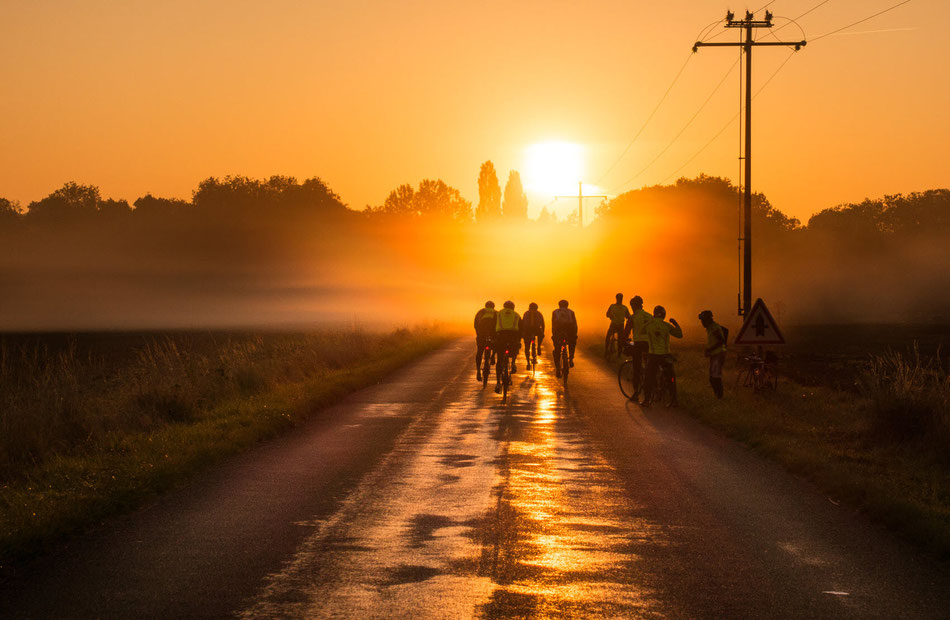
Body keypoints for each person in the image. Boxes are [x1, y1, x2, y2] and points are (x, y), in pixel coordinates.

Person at [642, 305, 683, 406]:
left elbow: (641, 331)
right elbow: (679, 335)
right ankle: (674, 400)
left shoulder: (649, 325)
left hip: (653, 356)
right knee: (671, 378)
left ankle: (647, 400)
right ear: (664, 315)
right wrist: (675, 323)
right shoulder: (666, 326)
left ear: (654, 314)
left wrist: (650, 321)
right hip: (665, 355)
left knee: (649, 378)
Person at [622, 295, 651, 398]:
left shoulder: (632, 317)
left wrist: (624, 342)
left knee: (637, 368)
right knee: (650, 366)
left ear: (633, 306)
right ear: (641, 305)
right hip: (650, 344)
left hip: (639, 344)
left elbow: (626, 333)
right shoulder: (649, 316)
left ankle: (635, 393)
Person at [494, 300, 522, 393]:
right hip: (513, 336)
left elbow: (493, 326)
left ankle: (498, 383)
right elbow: (521, 329)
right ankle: (513, 363)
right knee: (515, 348)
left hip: (500, 336)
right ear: (513, 307)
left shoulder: (498, 313)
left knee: (500, 359)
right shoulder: (517, 315)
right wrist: (519, 340)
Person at [699, 310, 726, 399]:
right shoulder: (710, 328)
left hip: (718, 355)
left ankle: (719, 398)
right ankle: (717, 397)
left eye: (703, 320)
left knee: (716, 378)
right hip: (714, 355)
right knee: (712, 378)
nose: (702, 323)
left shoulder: (714, 328)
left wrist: (710, 349)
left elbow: (721, 341)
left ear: (708, 319)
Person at [551, 299, 578, 378]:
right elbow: (575, 324)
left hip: (558, 330)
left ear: (559, 305)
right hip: (570, 330)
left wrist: (554, 335)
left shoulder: (555, 312)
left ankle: (558, 367)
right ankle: (571, 358)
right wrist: (575, 334)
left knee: (557, 349)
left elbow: (553, 324)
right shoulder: (571, 312)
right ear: (567, 305)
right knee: (572, 343)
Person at [473, 301, 497, 382]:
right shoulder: (496, 312)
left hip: (481, 335)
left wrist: (478, 334)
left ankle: (478, 371)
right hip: (492, 334)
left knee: (479, 352)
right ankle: (493, 356)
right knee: (496, 345)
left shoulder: (480, 312)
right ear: (493, 307)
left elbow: (475, 324)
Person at [521, 302, 545, 370]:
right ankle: (539, 347)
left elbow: (523, 323)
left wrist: (523, 333)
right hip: (537, 330)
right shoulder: (539, 313)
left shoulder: (526, 313)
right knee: (541, 336)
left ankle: (528, 362)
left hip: (528, 331)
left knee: (527, 347)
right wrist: (542, 332)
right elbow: (543, 324)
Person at [605, 293, 630, 358]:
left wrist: (610, 316)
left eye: (620, 298)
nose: (620, 299)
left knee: (616, 339)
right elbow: (607, 314)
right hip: (617, 325)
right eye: (619, 298)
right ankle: (612, 352)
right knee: (617, 339)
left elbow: (607, 314)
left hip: (616, 325)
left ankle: (610, 351)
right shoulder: (622, 307)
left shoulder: (617, 307)